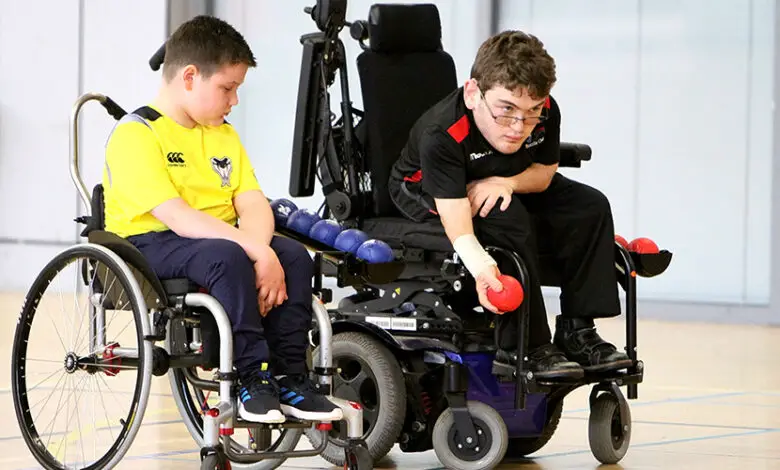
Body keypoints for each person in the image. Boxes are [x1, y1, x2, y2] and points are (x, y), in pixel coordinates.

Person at [101, 15, 342, 423]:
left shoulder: (223, 135)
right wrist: (254, 252)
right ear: (190, 77)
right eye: (227, 89)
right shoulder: (137, 134)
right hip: (151, 242)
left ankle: (290, 378)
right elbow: (177, 217)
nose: (234, 101)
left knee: (295, 257)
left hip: (220, 239)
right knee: (227, 257)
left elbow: (252, 203)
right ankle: (251, 376)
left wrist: (263, 251)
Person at [387, 30, 632, 381]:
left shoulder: (543, 109)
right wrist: (483, 270)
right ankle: (525, 347)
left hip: (498, 174)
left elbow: (544, 173)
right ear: (473, 94)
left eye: (531, 112)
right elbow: (458, 224)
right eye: (506, 110)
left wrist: (507, 183)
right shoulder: (443, 132)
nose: (519, 127)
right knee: (506, 217)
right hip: (425, 188)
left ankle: (578, 332)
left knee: (589, 206)